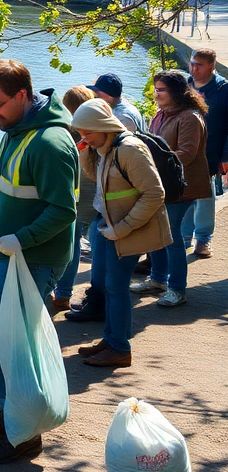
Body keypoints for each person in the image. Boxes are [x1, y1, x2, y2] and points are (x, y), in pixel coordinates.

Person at [0, 59, 78, 464]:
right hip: (6, 257)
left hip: (32, 262)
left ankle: (23, 431)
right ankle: (15, 417)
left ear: (23, 96)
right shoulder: (14, 133)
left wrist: (20, 239)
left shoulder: (50, 144)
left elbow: (64, 211)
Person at [72, 99, 172, 368]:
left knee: (116, 287)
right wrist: (86, 149)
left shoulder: (129, 149)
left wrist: (123, 228)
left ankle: (119, 348)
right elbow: (95, 176)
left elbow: (155, 193)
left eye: (87, 133)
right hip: (110, 225)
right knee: (107, 285)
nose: (84, 138)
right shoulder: (107, 147)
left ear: (103, 126)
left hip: (125, 228)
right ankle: (112, 339)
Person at [132, 70, 213, 307]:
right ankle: (158, 279)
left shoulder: (189, 117)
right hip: (161, 184)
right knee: (157, 234)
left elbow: (186, 153)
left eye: (161, 90)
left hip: (181, 186)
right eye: (156, 89)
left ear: (176, 92)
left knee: (172, 237)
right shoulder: (161, 114)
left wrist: (150, 164)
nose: (156, 94)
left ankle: (177, 289)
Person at [59, 86, 104, 320]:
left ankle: (64, 292)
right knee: (93, 241)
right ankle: (94, 292)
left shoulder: (69, 129)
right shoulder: (97, 126)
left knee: (72, 241)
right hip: (94, 192)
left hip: (78, 191)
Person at [187, 49, 227, 257]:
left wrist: (226, 157)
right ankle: (183, 238)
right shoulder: (187, 85)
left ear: (211, 67)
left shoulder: (223, 89)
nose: (194, 69)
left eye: (199, 65)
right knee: (182, 194)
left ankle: (203, 240)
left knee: (204, 197)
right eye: (192, 64)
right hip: (185, 150)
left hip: (210, 152)